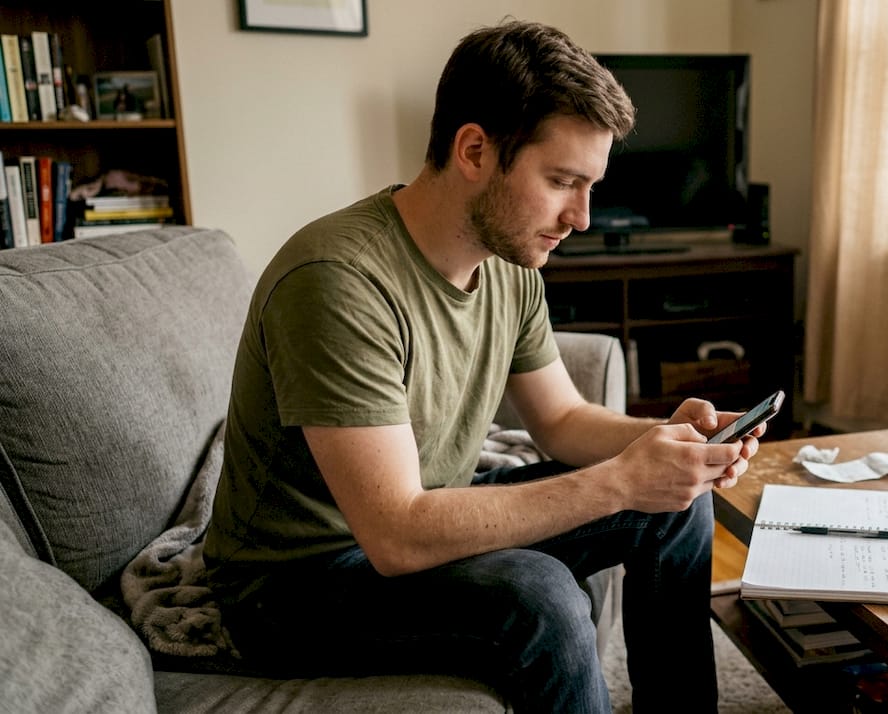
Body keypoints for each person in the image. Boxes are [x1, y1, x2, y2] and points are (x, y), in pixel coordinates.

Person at [203, 18, 766, 713]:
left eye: (589, 185)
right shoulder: (335, 280)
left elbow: (560, 421)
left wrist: (663, 443)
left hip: (416, 520)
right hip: (297, 586)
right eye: (562, 180)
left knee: (677, 508)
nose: (582, 218)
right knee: (543, 598)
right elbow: (397, 535)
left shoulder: (509, 264)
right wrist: (620, 482)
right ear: (475, 149)